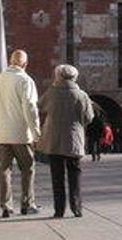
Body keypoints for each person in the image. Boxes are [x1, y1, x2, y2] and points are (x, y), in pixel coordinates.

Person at [0, 49, 41, 218]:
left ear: (10, 61)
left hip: (2, 134)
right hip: (21, 134)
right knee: (28, 168)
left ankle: (6, 206)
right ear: (25, 64)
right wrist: (36, 132)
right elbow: (30, 108)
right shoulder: (25, 80)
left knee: (4, 170)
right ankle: (27, 204)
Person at [39, 64, 94, 218]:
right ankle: (77, 208)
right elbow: (89, 117)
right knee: (75, 174)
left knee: (57, 176)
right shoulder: (82, 95)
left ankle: (59, 210)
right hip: (74, 140)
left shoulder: (51, 93)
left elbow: (40, 106)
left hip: (54, 140)